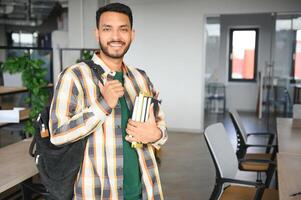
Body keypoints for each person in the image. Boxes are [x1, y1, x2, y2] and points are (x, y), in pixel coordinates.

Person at [49, 3, 167, 200]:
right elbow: (58, 134)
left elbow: (160, 126)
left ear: (132, 34)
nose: (116, 37)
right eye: (107, 29)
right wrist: (103, 105)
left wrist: (155, 134)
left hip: (145, 190)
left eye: (123, 29)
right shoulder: (74, 76)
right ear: (97, 33)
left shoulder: (141, 78)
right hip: (98, 193)